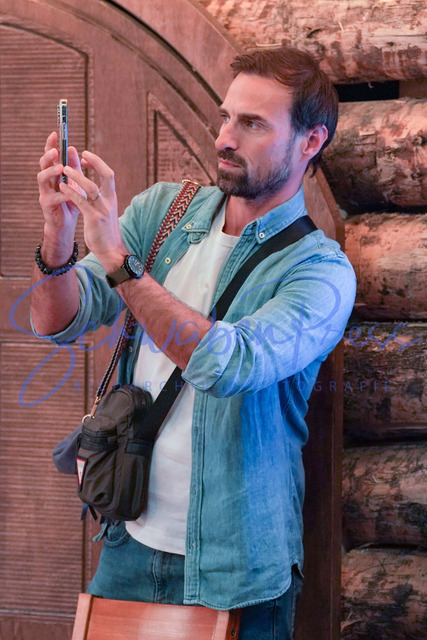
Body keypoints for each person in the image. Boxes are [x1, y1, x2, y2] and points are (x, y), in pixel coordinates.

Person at [31, 46, 356, 639]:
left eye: (253, 124)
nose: (225, 138)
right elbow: (58, 321)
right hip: (127, 542)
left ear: (310, 141)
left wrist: (117, 259)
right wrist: (59, 235)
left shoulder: (319, 272)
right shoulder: (164, 210)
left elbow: (225, 364)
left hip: (238, 568)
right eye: (226, 117)